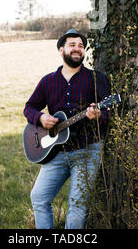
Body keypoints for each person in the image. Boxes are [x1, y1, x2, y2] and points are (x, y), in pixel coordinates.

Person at [23, 28, 110, 229]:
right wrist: (41, 117)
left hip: (87, 151)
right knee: (39, 197)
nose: (77, 49)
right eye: (72, 45)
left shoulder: (97, 79)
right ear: (61, 50)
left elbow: (108, 115)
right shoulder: (48, 81)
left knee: (77, 207)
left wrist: (98, 115)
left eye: (81, 46)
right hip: (57, 153)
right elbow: (29, 108)